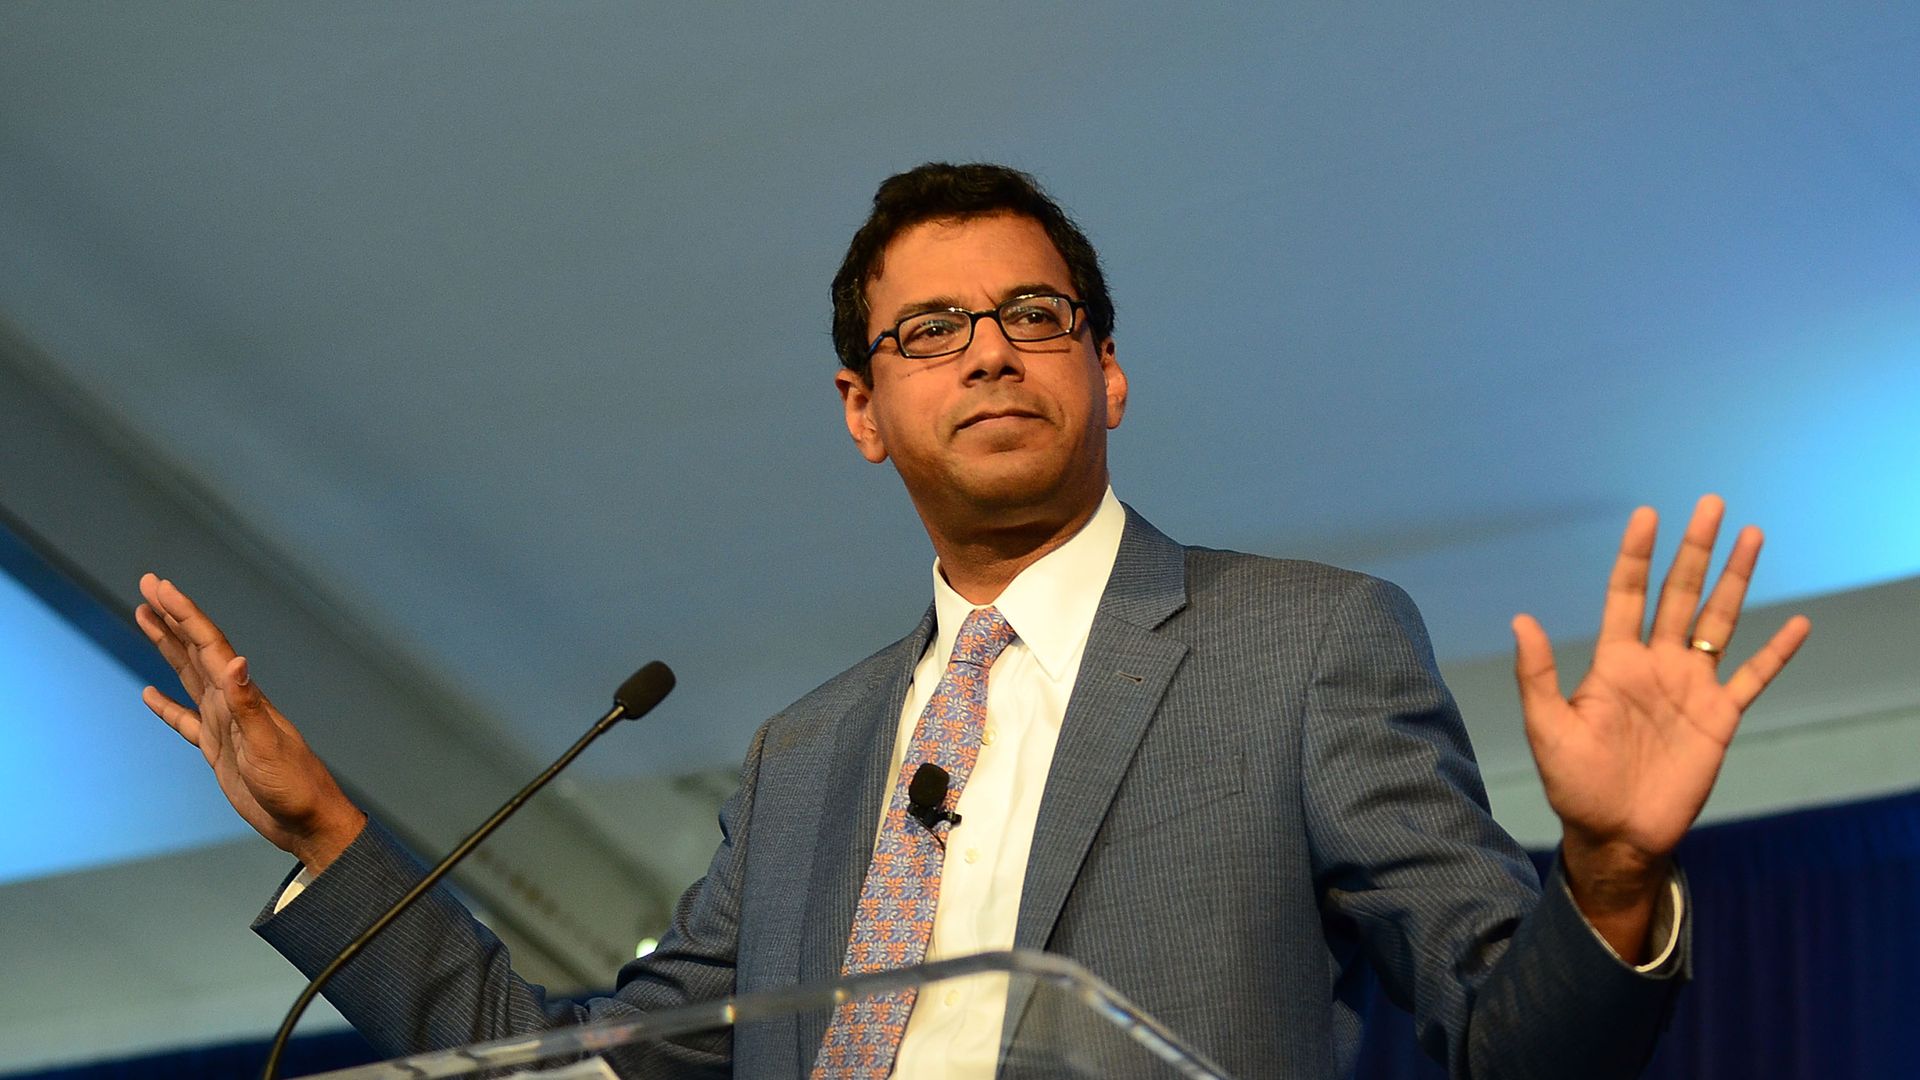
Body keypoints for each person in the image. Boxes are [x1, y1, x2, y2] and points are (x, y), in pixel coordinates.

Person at [135, 163, 1810, 1079]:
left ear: (1109, 371)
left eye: (1034, 314)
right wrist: (331, 833)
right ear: (863, 411)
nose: (992, 351)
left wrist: (1605, 878)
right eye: (933, 332)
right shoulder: (807, 759)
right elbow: (577, 1076)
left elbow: (1506, 1053)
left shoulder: (1301, 645)